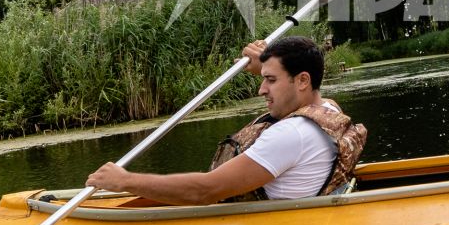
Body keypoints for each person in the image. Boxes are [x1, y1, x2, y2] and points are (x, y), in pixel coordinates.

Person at [86, 36, 366, 205]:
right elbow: (305, 94)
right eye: (264, 78)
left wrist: (125, 181)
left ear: (302, 80)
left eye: (270, 80)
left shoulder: (290, 135)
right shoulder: (328, 109)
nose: (261, 89)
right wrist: (266, 66)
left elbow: (205, 190)